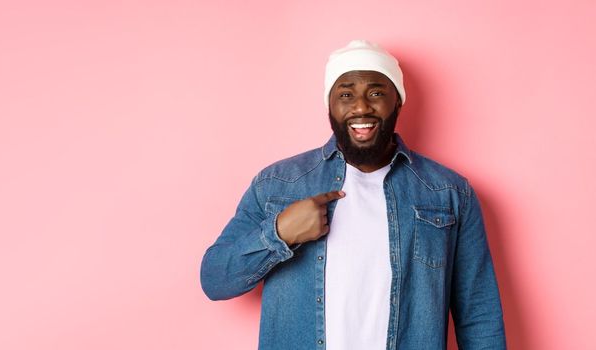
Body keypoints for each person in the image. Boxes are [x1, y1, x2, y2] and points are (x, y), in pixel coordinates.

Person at [199, 40, 506, 349]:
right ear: (329, 104)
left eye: (376, 93)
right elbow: (215, 279)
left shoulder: (449, 193)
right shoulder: (277, 184)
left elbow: (478, 315)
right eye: (346, 94)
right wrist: (279, 234)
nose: (361, 106)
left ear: (397, 101)